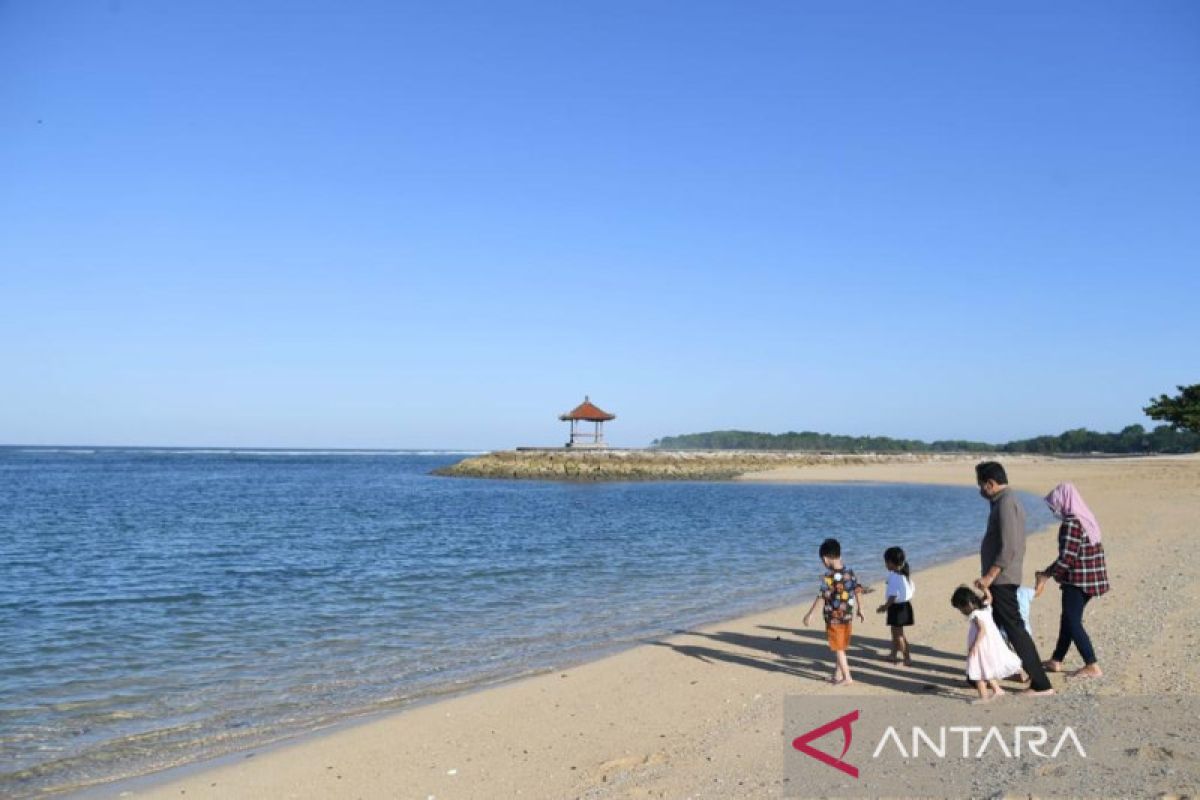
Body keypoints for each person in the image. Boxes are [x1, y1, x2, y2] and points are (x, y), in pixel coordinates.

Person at [973, 461, 1054, 695]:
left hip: (1003, 578)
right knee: (997, 628)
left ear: (991, 483)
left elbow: (1009, 547)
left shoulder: (1007, 503)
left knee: (1015, 630)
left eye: (981, 485)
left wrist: (990, 575)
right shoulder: (1002, 502)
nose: (980, 491)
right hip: (1002, 577)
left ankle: (1040, 683)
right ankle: (992, 675)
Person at [1035, 482, 1109, 679]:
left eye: (1054, 505)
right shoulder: (1086, 518)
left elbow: (1067, 557)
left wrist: (1046, 575)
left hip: (1079, 580)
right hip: (1091, 578)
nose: (1053, 510)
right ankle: (1056, 660)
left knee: (1072, 620)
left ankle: (1091, 664)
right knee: (1068, 618)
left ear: (1064, 502)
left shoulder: (1072, 523)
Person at [803, 538, 865, 686]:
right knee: (841, 646)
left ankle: (847, 677)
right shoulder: (849, 572)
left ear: (825, 559)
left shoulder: (829, 577)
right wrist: (861, 608)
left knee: (838, 648)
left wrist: (810, 614)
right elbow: (858, 590)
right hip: (848, 616)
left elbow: (821, 596)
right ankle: (837, 674)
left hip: (834, 618)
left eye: (822, 560)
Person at [951, 584, 1023, 703]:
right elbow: (990, 598)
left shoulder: (975, 614)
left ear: (968, 604)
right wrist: (984, 588)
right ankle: (997, 690)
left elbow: (982, 630)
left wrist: (974, 646)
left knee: (978, 671)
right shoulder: (985, 607)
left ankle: (983, 697)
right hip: (990, 644)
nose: (962, 612)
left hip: (981, 646)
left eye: (961, 608)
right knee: (986, 668)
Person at [875, 546, 914, 666]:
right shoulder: (903, 572)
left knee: (899, 635)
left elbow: (892, 596)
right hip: (905, 606)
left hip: (897, 608)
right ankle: (893, 655)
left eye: (886, 563)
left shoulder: (895, 576)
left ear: (891, 563)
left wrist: (884, 607)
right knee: (895, 633)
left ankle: (907, 657)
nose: (885, 565)